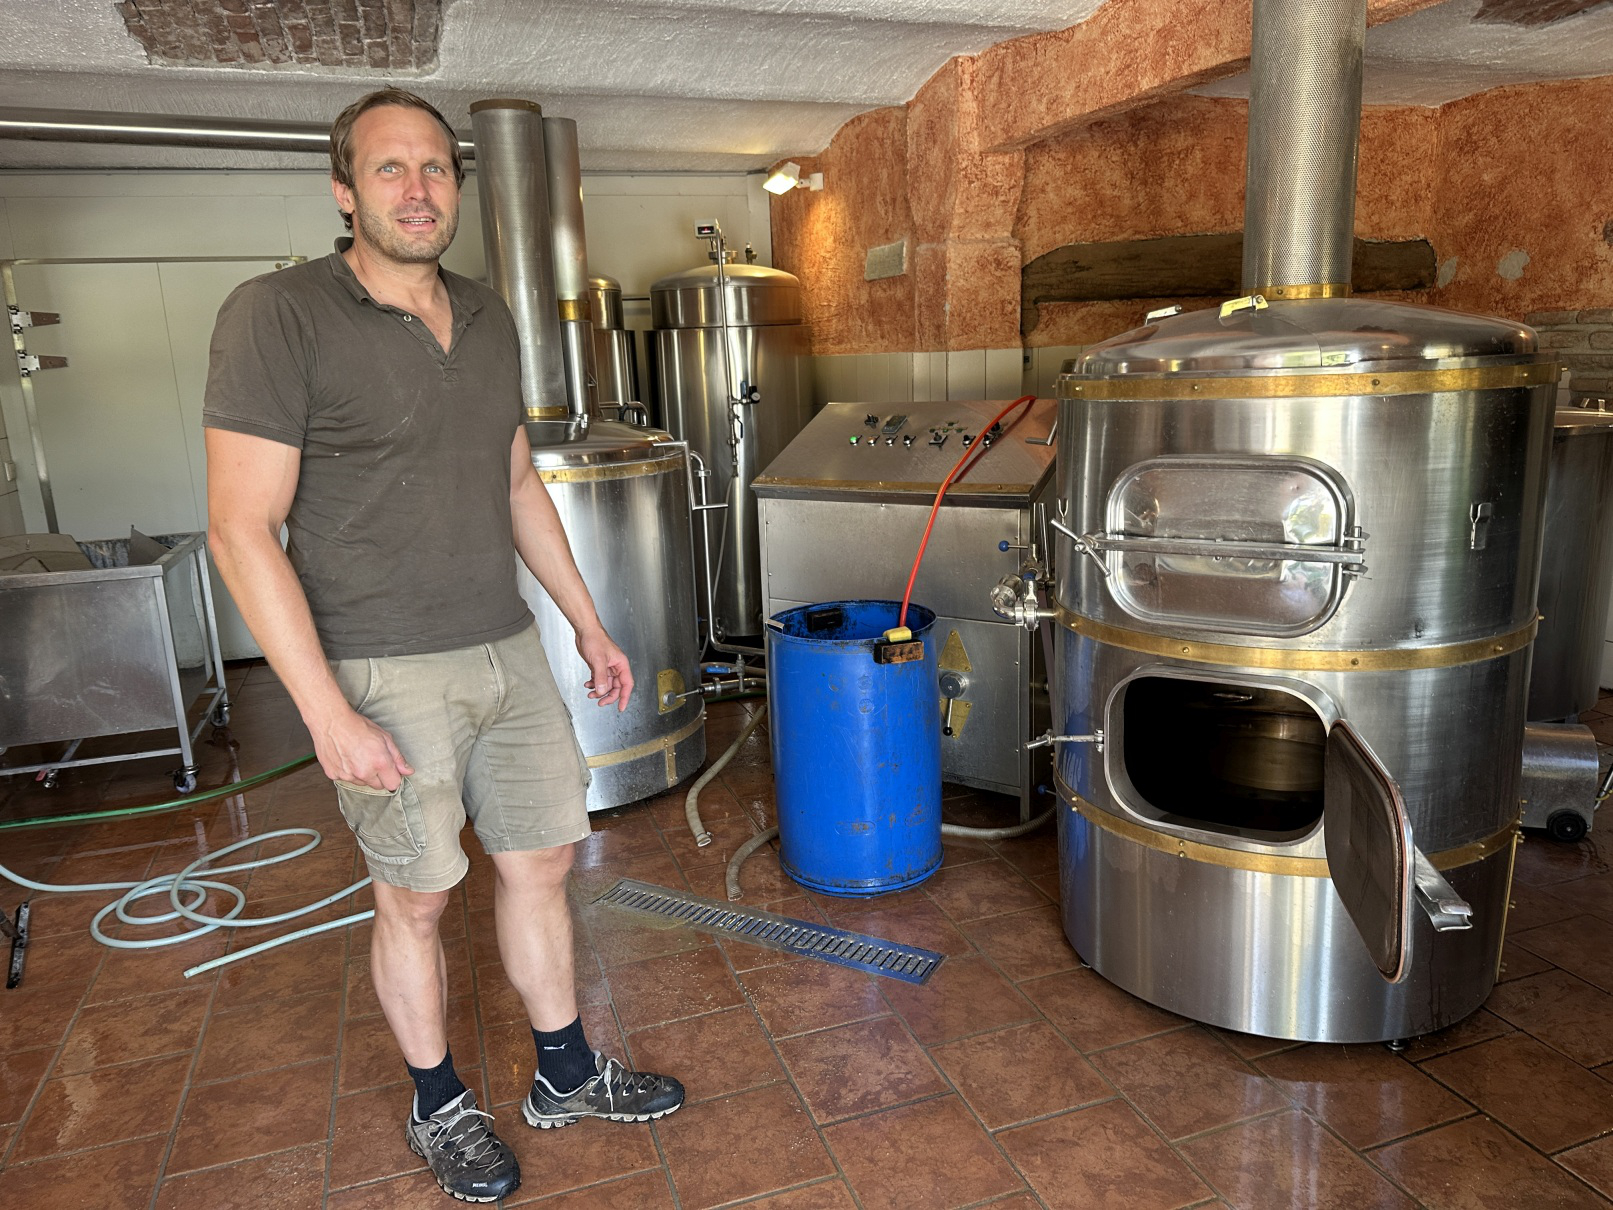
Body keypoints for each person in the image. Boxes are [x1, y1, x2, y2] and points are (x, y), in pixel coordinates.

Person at [202, 87, 683, 1204]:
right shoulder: (277, 313)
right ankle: (439, 1104)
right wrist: (325, 712)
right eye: (388, 168)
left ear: (456, 187)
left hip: (504, 645)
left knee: (542, 862)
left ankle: (565, 1074)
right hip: (378, 663)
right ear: (343, 190)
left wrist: (586, 620)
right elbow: (240, 528)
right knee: (415, 896)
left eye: (435, 168)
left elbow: (514, 482)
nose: (417, 189)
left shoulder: (486, 313)